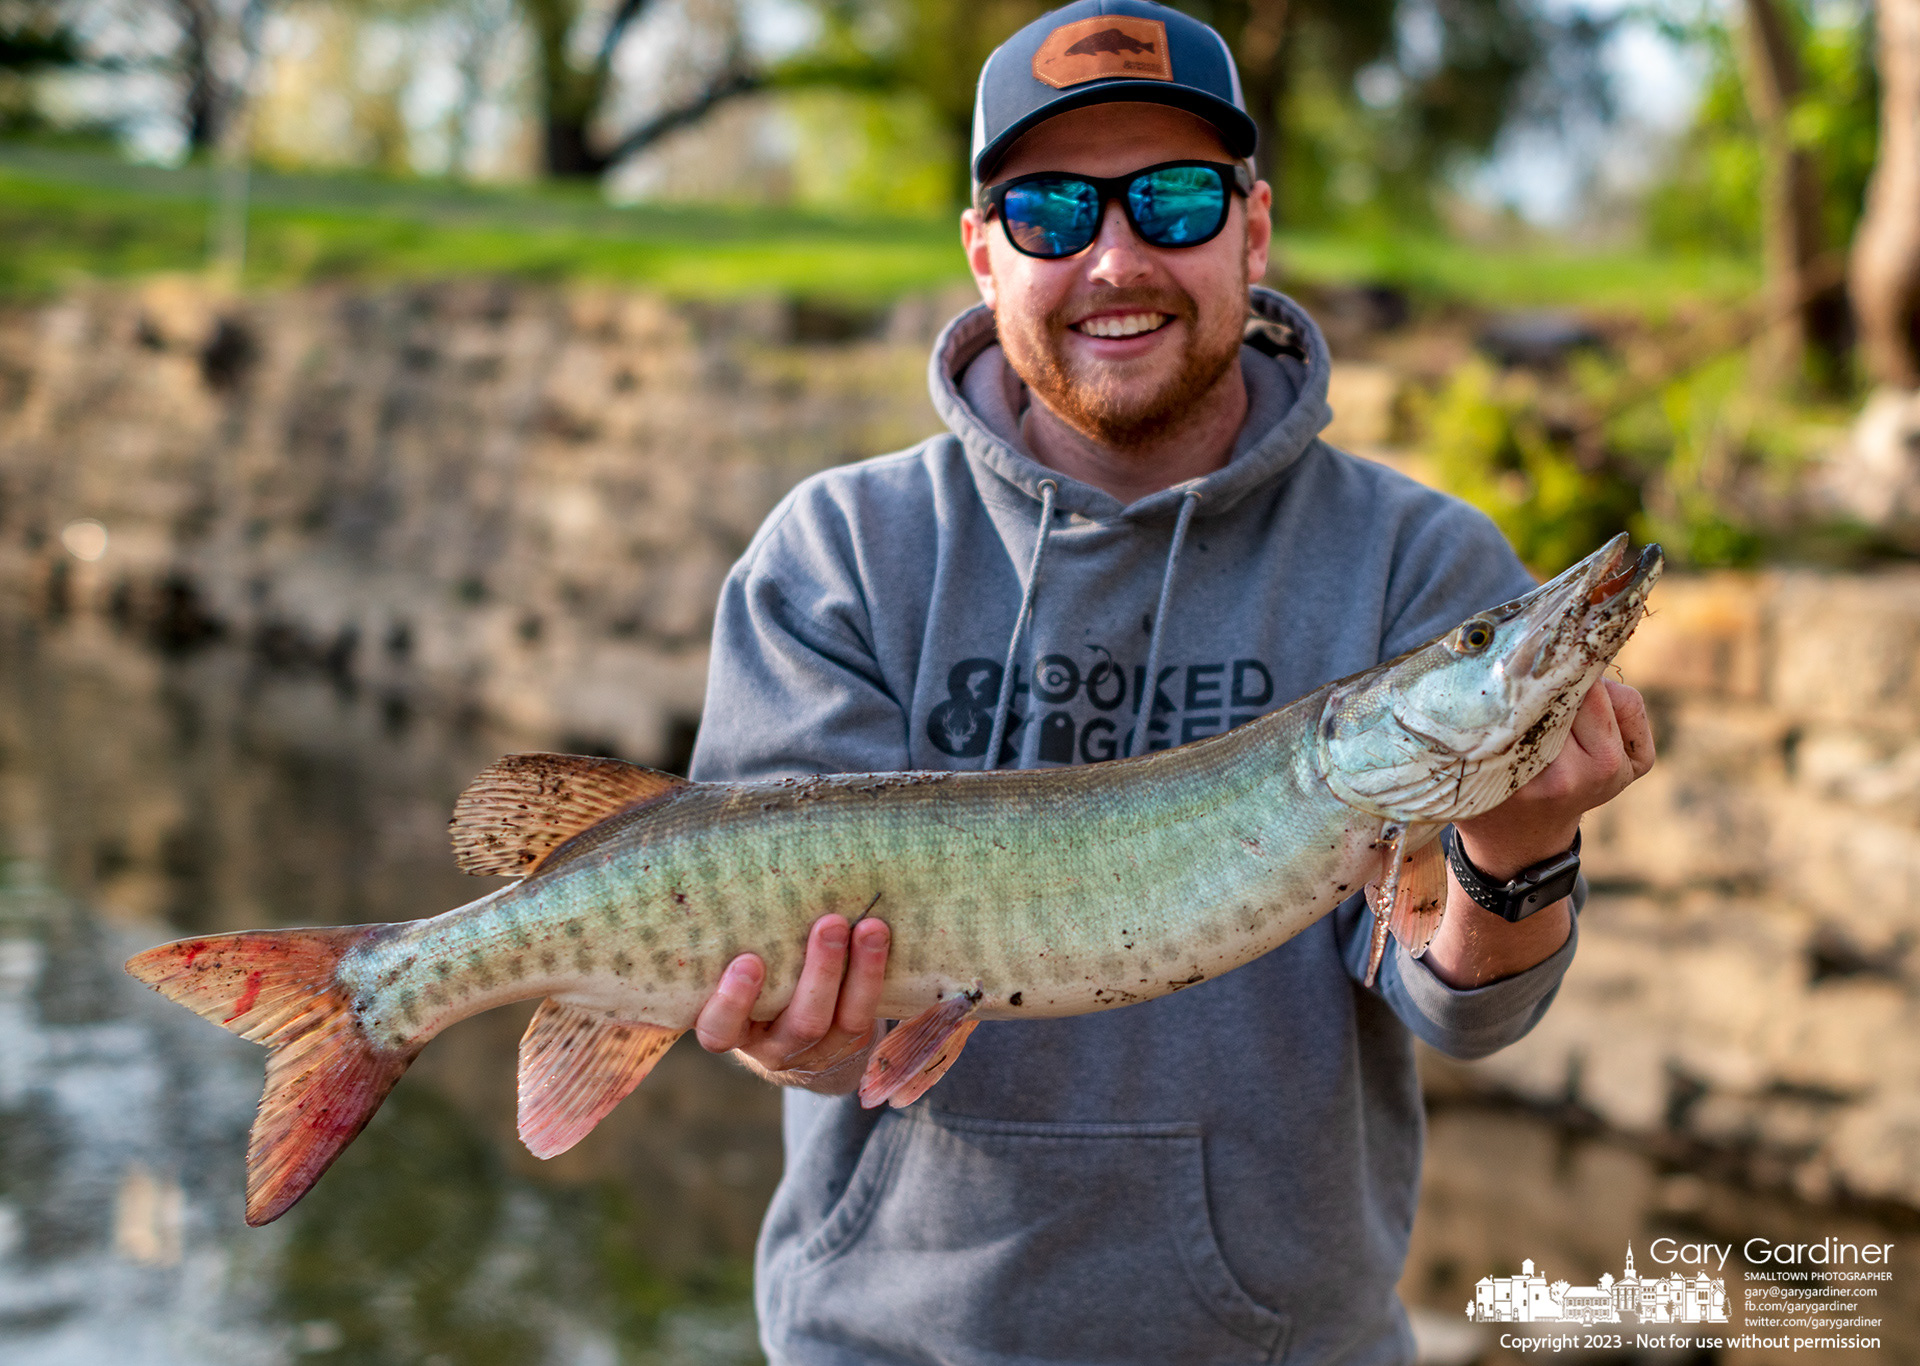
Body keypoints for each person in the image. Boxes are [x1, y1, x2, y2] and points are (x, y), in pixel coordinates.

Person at [685, 2, 1655, 1360]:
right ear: (983, 254)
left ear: (1253, 230)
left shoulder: (1414, 561)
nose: (1116, 257)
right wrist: (796, 1039)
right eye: (1051, 214)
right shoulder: (839, 554)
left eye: (1177, 199)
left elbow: (1465, 1005)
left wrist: (1524, 837)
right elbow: (814, 1027)